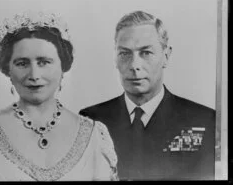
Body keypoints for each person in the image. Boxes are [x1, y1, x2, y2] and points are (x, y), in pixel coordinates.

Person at [0, 11, 118, 181]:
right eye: (22, 63)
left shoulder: (94, 135)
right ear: (8, 69)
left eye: (44, 62)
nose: (34, 75)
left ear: (63, 67)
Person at [79, 11, 215, 180]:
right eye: (125, 53)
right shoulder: (90, 121)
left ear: (166, 56)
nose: (134, 65)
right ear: (115, 58)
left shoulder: (206, 121)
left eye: (146, 53)